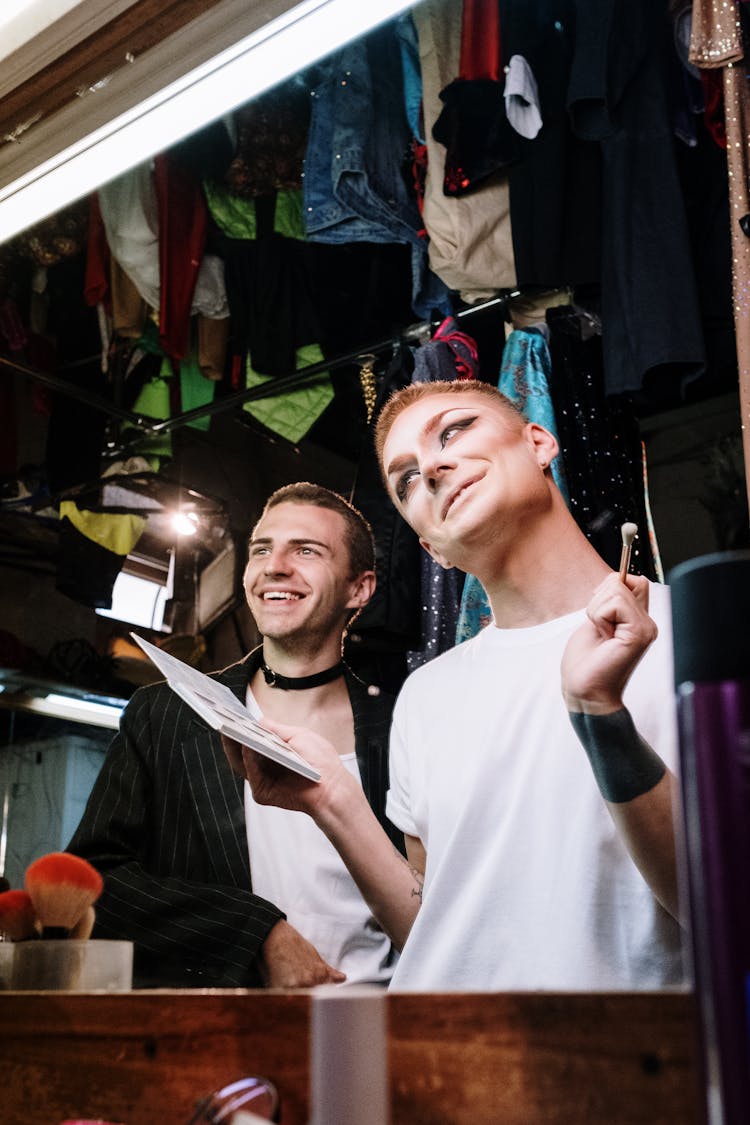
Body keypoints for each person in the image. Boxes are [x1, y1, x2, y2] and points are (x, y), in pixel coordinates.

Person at [225, 380, 685, 991]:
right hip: (441, 1063)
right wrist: (330, 798)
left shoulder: (694, 632)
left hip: (624, 1068)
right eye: (406, 479)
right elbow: (435, 932)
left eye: (455, 430)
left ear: (539, 442)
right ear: (429, 546)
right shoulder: (426, 695)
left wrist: (600, 716)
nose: (434, 467)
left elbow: (726, 909)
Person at [68, 482, 402, 988]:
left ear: (359, 588)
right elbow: (92, 882)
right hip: (221, 1034)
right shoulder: (167, 715)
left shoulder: (404, 725)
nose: (275, 566)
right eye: (262, 549)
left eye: (306, 550)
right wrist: (254, 931)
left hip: (381, 1030)